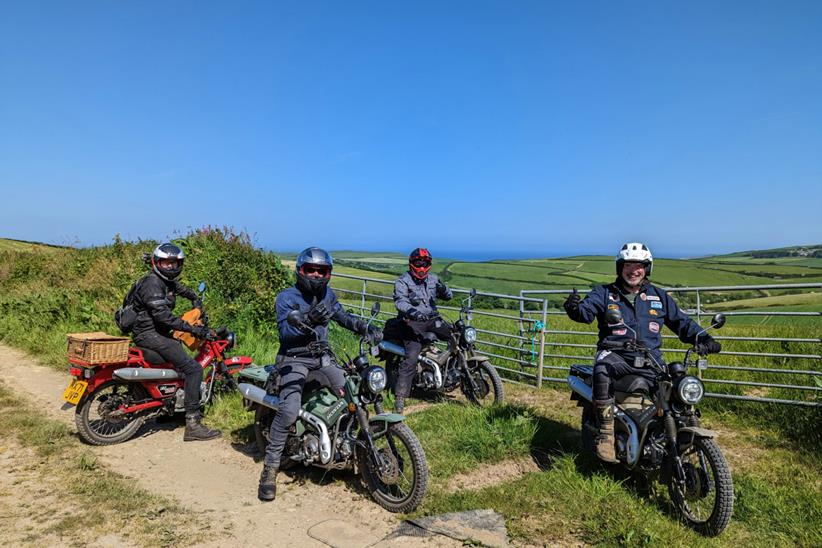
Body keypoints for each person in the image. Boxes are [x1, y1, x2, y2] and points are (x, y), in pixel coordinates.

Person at [563, 242, 721, 462]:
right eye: (628, 265)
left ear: (647, 268)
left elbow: (681, 322)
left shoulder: (659, 296)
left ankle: (679, 437)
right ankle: (607, 434)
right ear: (620, 268)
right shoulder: (604, 293)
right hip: (615, 354)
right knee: (602, 369)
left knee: (677, 386)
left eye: (639, 265)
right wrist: (574, 308)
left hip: (651, 360)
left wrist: (704, 338)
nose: (633, 270)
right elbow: (585, 313)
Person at [259, 247, 382, 501]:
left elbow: (343, 317)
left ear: (328, 273)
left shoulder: (327, 295)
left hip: (322, 358)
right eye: (311, 270)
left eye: (322, 271)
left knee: (354, 397)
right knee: (289, 411)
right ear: (300, 271)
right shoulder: (287, 297)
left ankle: (351, 448)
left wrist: (364, 328)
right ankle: (269, 471)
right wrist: (308, 318)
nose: (316, 275)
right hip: (294, 359)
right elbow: (286, 333)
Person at [127, 243, 221, 442]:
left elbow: (183, 290)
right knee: (194, 369)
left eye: (174, 263)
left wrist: (196, 300)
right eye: (165, 263)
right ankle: (193, 424)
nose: (170, 267)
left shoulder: (166, 282)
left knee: (176, 355)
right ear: (156, 262)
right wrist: (195, 329)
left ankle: (166, 409)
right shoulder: (152, 284)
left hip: (155, 332)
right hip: (149, 333)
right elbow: (164, 318)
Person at [390, 248, 453, 413]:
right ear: (412, 263)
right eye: (418, 263)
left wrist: (443, 289)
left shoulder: (433, 279)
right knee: (411, 357)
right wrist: (414, 312)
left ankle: (454, 373)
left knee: (456, 336)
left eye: (425, 263)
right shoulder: (402, 281)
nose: (422, 266)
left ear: (429, 264)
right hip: (411, 322)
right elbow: (400, 303)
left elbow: (449, 296)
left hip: (432, 319)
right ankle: (400, 398)